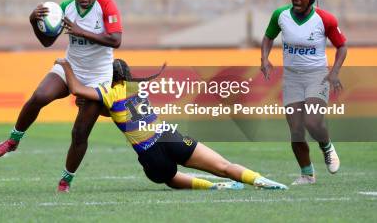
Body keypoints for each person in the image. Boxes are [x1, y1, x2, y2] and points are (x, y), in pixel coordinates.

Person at [0, 0, 131, 192]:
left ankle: (65, 180)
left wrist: (80, 31)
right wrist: (34, 22)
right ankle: (13, 141)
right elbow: (48, 42)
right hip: (70, 68)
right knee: (39, 96)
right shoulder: (65, 7)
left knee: (79, 132)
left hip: (98, 77)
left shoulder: (106, 6)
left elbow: (116, 40)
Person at [57, 57, 288, 190]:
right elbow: (122, 111)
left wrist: (65, 65)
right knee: (224, 166)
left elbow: (77, 89)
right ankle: (259, 179)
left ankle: (211, 186)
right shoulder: (137, 88)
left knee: (169, 179)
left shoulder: (107, 92)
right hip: (169, 136)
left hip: (149, 153)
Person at [261, 0, 347, 185]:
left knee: (312, 121)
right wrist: (264, 58)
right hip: (291, 79)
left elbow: (342, 47)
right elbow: (268, 37)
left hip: (317, 76)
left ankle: (326, 146)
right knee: (297, 131)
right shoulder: (280, 15)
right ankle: (307, 174)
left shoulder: (326, 19)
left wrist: (334, 72)